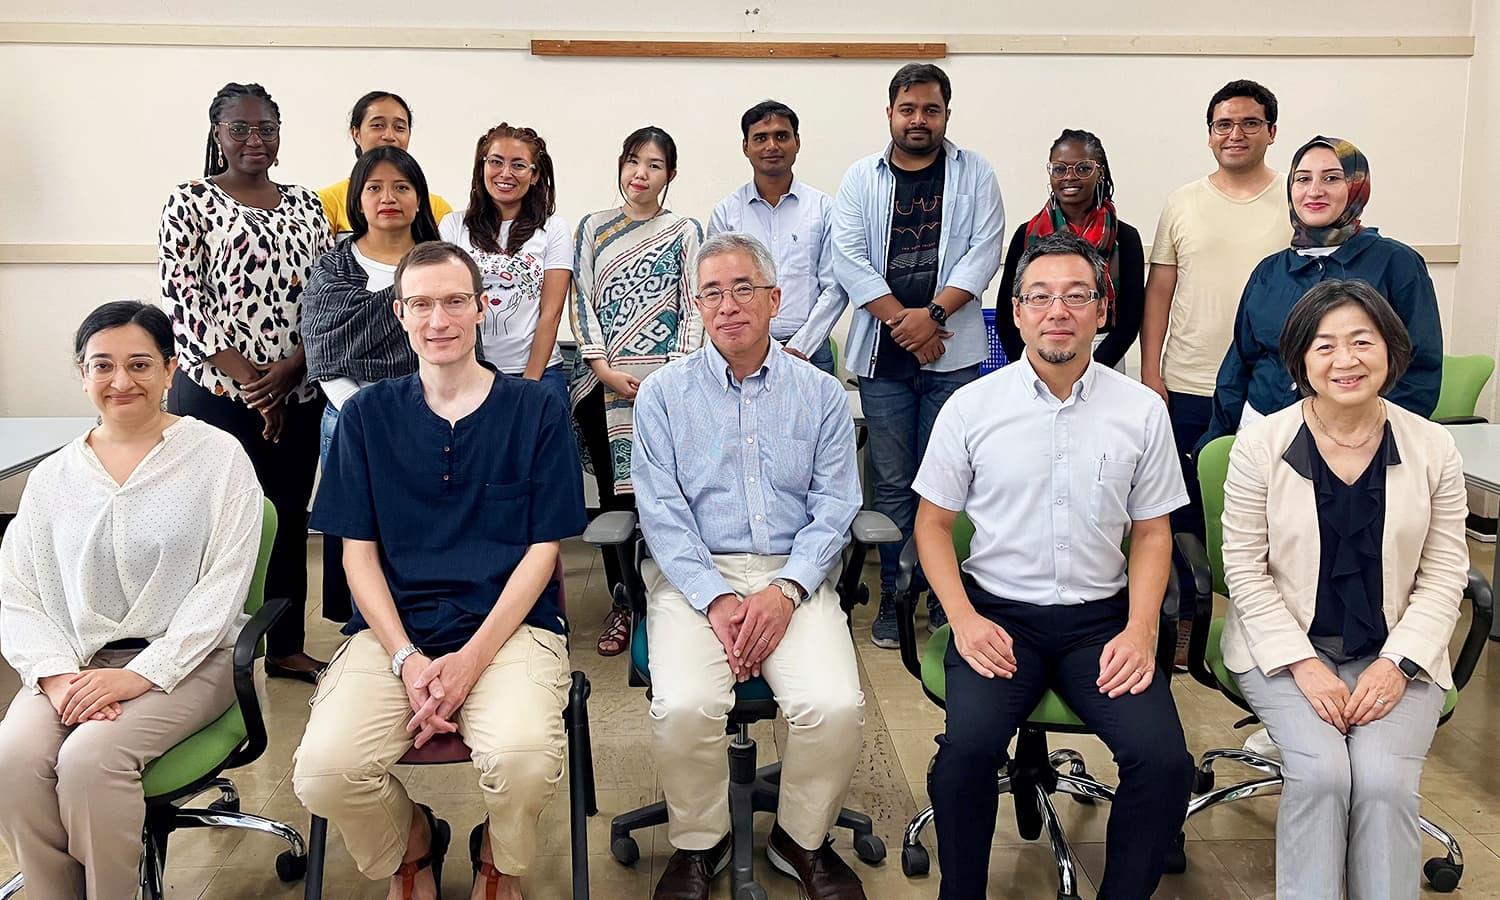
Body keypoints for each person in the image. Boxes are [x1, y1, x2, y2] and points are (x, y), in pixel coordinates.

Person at [293, 241, 586, 900]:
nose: (438, 319)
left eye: (455, 301)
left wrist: (470, 661)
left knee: (523, 763)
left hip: (512, 633)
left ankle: (499, 859)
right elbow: (356, 554)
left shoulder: (535, 410)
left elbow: (544, 550)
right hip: (393, 636)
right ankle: (414, 843)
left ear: (482, 307)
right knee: (324, 773)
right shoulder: (367, 416)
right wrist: (407, 660)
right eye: (421, 304)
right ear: (398, 314)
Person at [914, 232, 1194, 900]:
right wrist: (963, 620)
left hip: (1102, 623)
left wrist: (1142, 630)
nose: (1057, 311)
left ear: (1102, 310)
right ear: (1015, 312)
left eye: (1076, 296)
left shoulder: (1141, 411)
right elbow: (932, 525)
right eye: (1039, 297)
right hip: (997, 617)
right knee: (965, 759)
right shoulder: (972, 408)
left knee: (1165, 763)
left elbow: (1154, 532)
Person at [0, 301, 263, 900]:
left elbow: (224, 587)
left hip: (191, 662)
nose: (122, 381)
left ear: (171, 370)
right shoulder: (53, 477)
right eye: (103, 365)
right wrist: (54, 676)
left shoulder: (218, 458)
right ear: (82, 372)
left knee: (91, 760)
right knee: (12, 759)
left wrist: (141, 675)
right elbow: (16, 590)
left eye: (141, 364)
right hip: (74, 666)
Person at [632, 232, 867, 900]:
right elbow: (662, 514)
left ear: (774, 299)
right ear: (696, 306)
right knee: (685, 705)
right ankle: (699, 843)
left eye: (743, 289)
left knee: (833, 705)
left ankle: (799, 837)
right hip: (693, 575)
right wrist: (716, 598)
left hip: (793, 571)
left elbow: (835, 506)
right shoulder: (662, 395)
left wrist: (787, 589)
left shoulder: (820, 394)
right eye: (712, 292)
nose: (728, 305)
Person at [1219, 280, 1467, 899]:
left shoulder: (1434, 447)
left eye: (1363, 341)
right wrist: (1303, 664)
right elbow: (1244, 571)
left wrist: (1397, 665)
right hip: (1285, 649)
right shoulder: (1260, 445)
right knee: (1324, 774)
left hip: (1396, 652)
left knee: (1382, 782)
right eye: (1325, 345)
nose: (1345, 360)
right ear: (1302, 359)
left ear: (1391, 350)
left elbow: (1444, 574)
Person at [158, 82, 330, 682]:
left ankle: (285, 645)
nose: (254, 140)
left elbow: (324, 295)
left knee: (283, 517)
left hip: (298, 388)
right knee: (213, 523)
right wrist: (249, 381)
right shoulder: (188, 202)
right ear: (217, 134)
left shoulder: (308, 204)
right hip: (216, 394)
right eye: (240, 129)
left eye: (266, 129)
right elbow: (182, 300)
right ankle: (204, 652)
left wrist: (287, 372)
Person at [831, 62, 1005, 649]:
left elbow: (985, 252)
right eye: (908, 109)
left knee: (950, 480)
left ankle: (941, 595)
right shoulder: (860, 177)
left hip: (951, 354)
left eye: (930, 110)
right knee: (891, 480)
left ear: (946, 115)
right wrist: (904, 324)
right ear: (890, 114)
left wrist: (930, 318)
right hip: (882, 357)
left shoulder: (974, 172)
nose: (918, 120)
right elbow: (848, 258)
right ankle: (896, 599)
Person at [1202, 136, 1443, 445]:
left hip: (1356, 436)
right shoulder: (1269, 271)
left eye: (1331, 178)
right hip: (1262, 427)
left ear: (1357, 186)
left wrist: (1380, 440)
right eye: (1303, 179)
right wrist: (1216, 437)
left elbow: (1420, 368)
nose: (1314, 191)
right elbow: (1239, 362)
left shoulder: (1397, 264)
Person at [1139, 79, 1291, 547]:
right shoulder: (1182, 202)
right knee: (1184, 507)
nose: (1235, 134)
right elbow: (1160, 291)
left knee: (1269, 508)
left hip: (1272, 385)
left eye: (1250, 123)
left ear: (1272, 131)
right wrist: (1151, 372)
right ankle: (1187, 612)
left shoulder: (1298, 200)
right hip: (1188, 381)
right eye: (1223, 124)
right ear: (1209, 134)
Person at [570, 125, 703, 657]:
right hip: (607, 385)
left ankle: (673, 599)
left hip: (669, 388)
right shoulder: (594, 228)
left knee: (669, 498)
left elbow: (695, 304)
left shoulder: (684, 230)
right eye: (632, 161)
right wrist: (602, 368)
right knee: (616, 499)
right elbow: (581, 299)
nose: (639, 174)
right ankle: (624, 601)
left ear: (670, 175)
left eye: (653, 165)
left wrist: (669, 375)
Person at [302, 145, 438, 622]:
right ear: (357, 199)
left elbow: (457, 348)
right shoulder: (333, 268)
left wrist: (417, 412)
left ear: (419, 199)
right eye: (375, 187)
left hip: (431, 419)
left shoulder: (437, 264)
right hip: (350, 419)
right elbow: (323, 352)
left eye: (402, 187)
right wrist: (369, 412)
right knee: (364, 537)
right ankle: (370, 633)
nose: (389, 197)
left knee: (425, 530)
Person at [707, 100, 846, 376]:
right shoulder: (727, 213)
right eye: (760, 138)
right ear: (746, 147)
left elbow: (836, 287)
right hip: (744, 354)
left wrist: (800, 347)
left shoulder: (823, 209)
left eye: (781, 136)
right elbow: (719, 289)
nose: (772, 146)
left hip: (811, 355)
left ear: (797, 141)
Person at [440, 123, 572, 406]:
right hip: (469, 374)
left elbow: (552, 311)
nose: (505, 173)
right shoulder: (453, 226)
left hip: (539, 373)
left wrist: (529, 385)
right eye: (496, 162)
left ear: (535, 175)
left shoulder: (554, 229)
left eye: (519, 165)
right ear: (482, 167)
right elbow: (446, 301)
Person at [995, 128, 1144, 370]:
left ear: (1100, 172)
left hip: (1104, 358)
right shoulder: (1026, 235)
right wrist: (1032, 366)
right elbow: (1007, 314)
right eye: (1060, 169)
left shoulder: (1124, 238)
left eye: (1083, 168)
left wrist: (1092, 368)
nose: (1069, 177)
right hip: (1038, 355)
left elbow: (1130, 320)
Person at [319, 90, 453, 238]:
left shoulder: (438, 208)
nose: (389, 136)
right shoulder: (325, 203)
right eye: (377, 125)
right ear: (356, 134)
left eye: (400, 127)